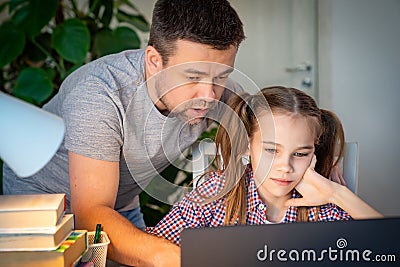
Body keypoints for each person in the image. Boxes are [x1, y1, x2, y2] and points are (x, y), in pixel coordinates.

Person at [3, 0, 245, 266]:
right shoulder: (98, 95)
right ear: (155, 61)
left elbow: (274, 126)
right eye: (192, 77)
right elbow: (90, 215)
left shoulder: (212, 89)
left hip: (119, 207)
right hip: (45, 215)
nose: (209, 95)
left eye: (221, 77)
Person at [146, 86, 383, 245]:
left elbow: (388, 248)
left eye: (300, 153)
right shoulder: (217, 191)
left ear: (314, 152)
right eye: (271, 150)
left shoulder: (325, 207)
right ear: (248, 145)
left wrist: (337, 193)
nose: (285, 167)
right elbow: (156, 246)